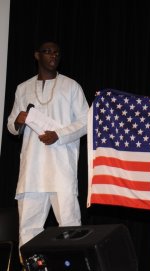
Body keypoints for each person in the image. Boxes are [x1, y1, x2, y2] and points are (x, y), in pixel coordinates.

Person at [7, 40, 89, 254]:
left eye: (57, 53)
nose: (53, 56)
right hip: (32, 169)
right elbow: (10, 125)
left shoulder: (71, 86)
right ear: (37, 55)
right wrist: (18, 121)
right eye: (48, 52)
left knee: (69, 224)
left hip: (61, 165)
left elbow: (86, 122)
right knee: (28, 227)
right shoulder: (23, 88)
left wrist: (58, 135)